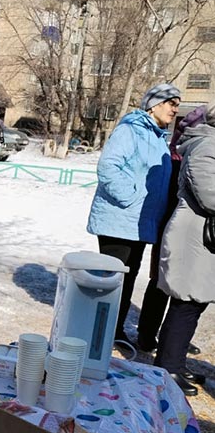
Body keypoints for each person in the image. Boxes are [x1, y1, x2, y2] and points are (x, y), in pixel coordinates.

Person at [86, 82, 181, 345]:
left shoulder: (157, 137)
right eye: (172, 103)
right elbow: (108, 167)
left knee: (126, 281)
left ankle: (112, 332)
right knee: (112, 282)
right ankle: (100, 332)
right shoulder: (131, 130)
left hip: (139, 223)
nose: (175, 110)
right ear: (155, 104)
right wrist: (132, 197)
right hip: (118, 218)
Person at [153, 102, 215, 396]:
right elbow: (208, 194)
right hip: (193, 235)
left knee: (195, 302)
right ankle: (168, 367)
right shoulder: (205, 145)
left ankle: (175, 361)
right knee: (186, 302)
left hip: (202, 235)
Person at [135, 104, 206, 356]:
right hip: (170, 223)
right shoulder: (176, 155)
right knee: (161, 283)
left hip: (179, 223)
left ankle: (172, 340)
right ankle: (147, 335)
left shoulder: (185, 152)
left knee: (179, 287)